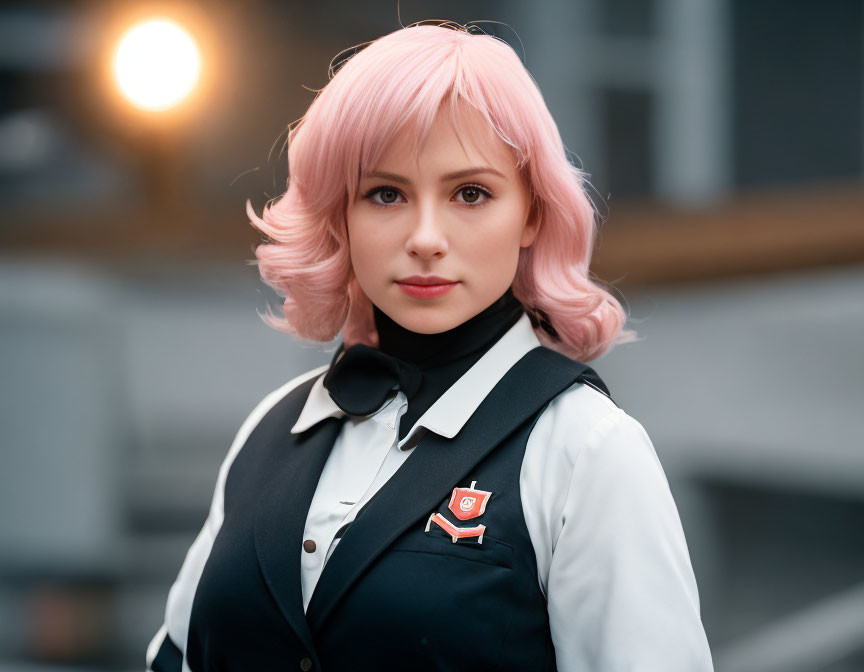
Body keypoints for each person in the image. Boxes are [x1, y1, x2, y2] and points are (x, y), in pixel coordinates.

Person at [146, 21, 714, 671]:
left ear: (531, 213)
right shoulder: (271, 429)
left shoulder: (587, 451)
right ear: (342, 215)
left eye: (470, 193)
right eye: (385, 194)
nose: (425, 237)